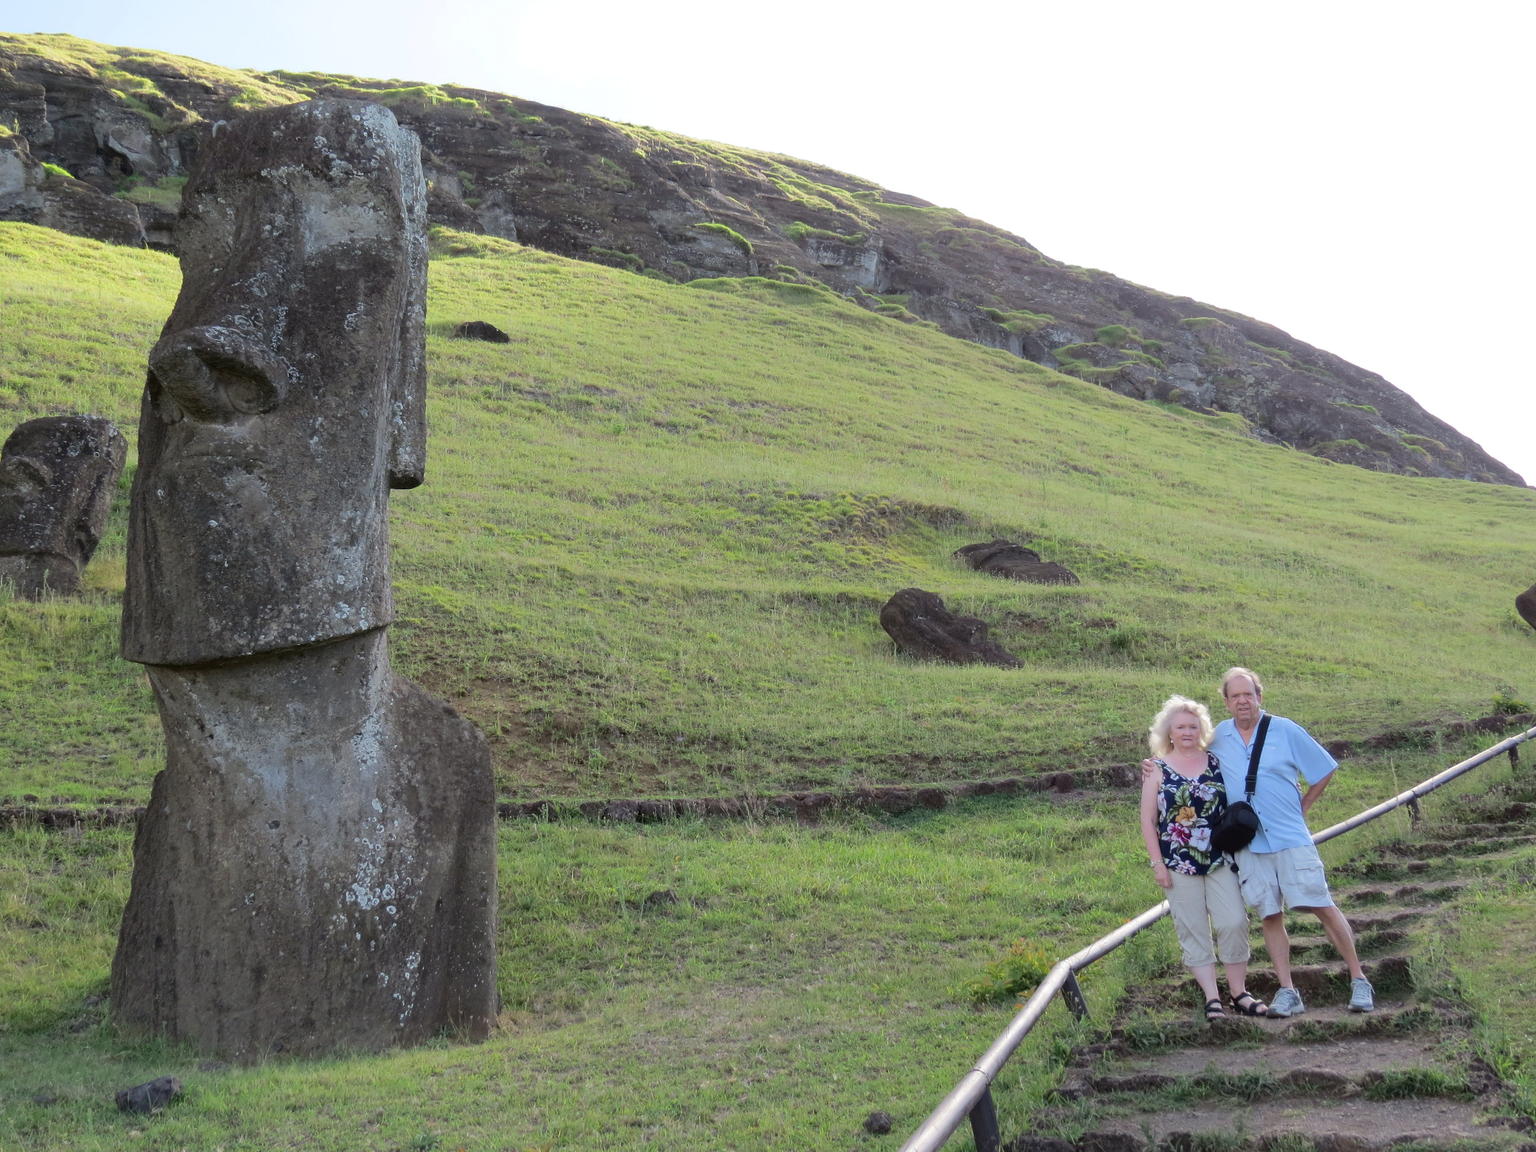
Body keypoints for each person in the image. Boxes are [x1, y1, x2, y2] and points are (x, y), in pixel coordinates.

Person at [1210, 667, 1373, 1016]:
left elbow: (1324, 768)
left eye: (1248, 694)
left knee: (1321, 904)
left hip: (1289, 835)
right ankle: (1287, 989)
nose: (1242, 701)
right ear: (1225, 702)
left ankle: (1359, 978)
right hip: (1249, 844)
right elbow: (1186, 751)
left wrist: (1304, 807)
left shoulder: (1284, 729)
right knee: (1270, 914)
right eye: (1235, 696)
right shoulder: (1219, 736)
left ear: (1259, 696)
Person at [1140, 694, 1269, 1021]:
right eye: (1180, 726)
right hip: (1177, 862)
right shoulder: (1155, 769)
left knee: (1234, 921)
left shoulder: (1215, 762)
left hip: (1219, 857)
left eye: (1193, 726)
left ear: (1202, 730)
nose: (1186, 732)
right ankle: (1213, 998)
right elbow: (1147, 821)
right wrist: (1158, 865)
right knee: (1193, 929)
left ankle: (1239, 992)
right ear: (1168, 731)